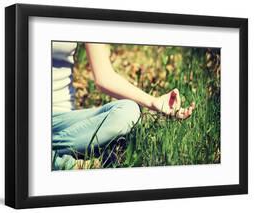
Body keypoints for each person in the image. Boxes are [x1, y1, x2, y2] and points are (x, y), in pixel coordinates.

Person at [52, 42, 195, 170]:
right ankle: (65, 163)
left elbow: (105, 77)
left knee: (129, 110)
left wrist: (154, 102)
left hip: (63, 122)